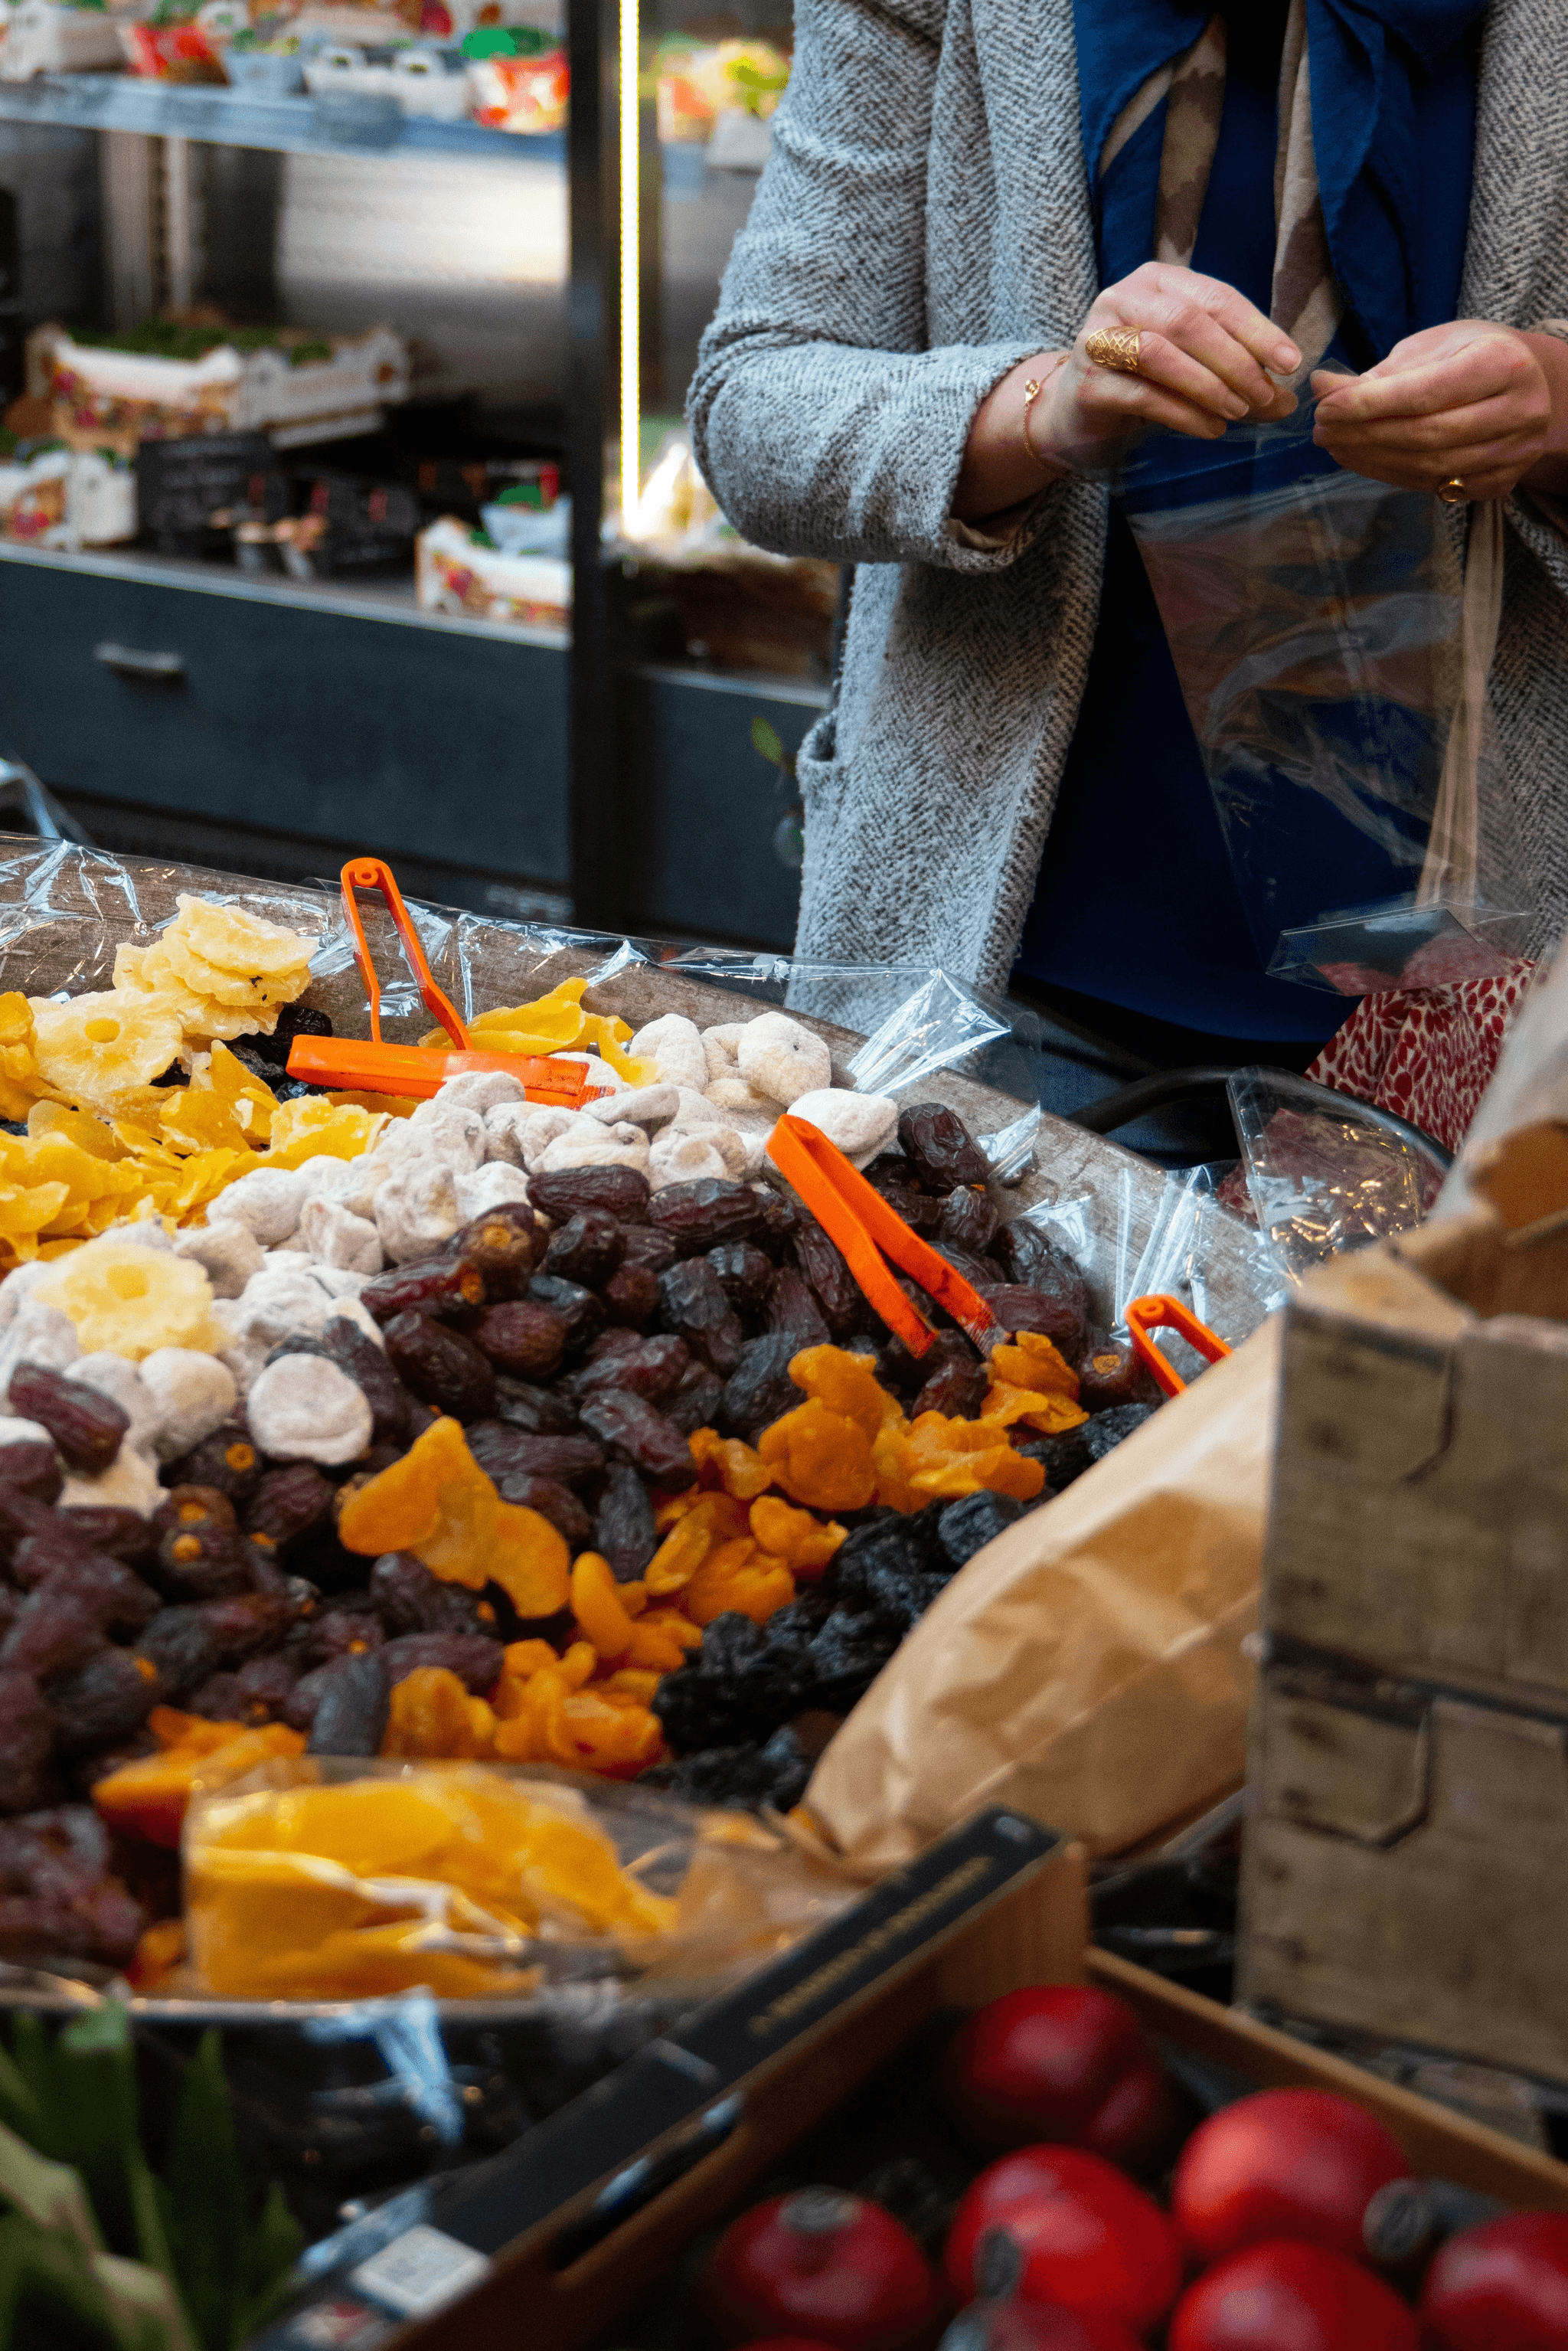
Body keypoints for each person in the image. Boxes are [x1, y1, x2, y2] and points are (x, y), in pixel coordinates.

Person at [688, 0, 1568, 1117]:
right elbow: (755, 403)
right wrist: (1040, 409)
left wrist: (1553, 402)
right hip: (1010, 992)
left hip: (1504, 1009)